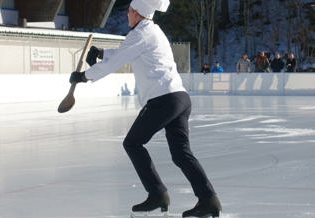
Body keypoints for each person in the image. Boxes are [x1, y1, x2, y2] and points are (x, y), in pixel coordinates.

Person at [68, 0, 222, 217]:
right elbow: (128, 53)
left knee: (132, 143)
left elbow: (119, 59)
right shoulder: (152, 31)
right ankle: (209, 200)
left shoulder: (140, 34)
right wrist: (102, 53)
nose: (127, 15)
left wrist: (83, 76)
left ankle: (157, 194)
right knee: (181, 153)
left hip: (163, 100)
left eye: (129, 11)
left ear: (138, 13)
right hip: (179, 98)